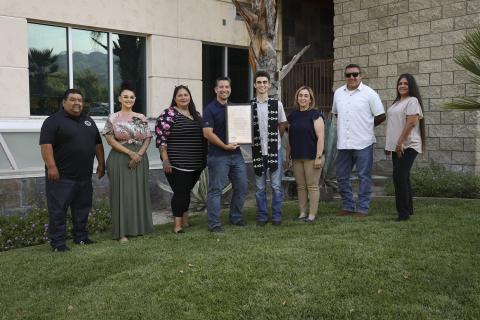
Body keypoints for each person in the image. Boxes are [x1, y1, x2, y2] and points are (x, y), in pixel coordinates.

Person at [40, 88, 105, 252]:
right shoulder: (53, 121)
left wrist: (101, 163)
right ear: (64, 102)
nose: (77, 103)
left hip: (84, 176)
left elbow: (98, 144)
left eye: (80, 100)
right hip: (61, 177)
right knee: (58, 211)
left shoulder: (88, 120)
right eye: (73, 99)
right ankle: (58, 243)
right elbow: (46, 145)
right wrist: (51, 167)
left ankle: (81, 237)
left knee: (82, 209)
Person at [332, 64, 386, 218]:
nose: (352, 78)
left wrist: (367, 126)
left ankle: (363, 208)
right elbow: (336, 113)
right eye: (348, 75)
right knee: (342, 176)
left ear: (361, 76)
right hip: (344, 143)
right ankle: (348, 206)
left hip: (364, 142)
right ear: (345, 76)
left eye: (355, 74)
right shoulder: (338, 94)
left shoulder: (370, 94)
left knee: (364, 176)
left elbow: (381, 115)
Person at [102, 81, 153, 242]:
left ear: (135, 99)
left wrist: (138, 155)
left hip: (140, 158)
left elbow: (147, 139)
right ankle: (122, 232)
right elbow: (110, 140)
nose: (128, 99)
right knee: (121, 195)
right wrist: (131, 153)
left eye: (131, 97)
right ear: (119, 99)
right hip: (119, 158)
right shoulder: (113, 118)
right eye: (125, 97)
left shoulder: (141, 118)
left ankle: (139, 228)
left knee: (139, 192)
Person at [155, 85, 207, 233]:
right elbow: (161, 139)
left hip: (196, 163)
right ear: (175, 98)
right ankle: (177, 226)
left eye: (186, 95)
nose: (183, 97)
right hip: (176, 163)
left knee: (186, 191)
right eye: (180, 95)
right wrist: (165, 160)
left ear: (190, 96)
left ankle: (185, 221)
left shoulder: (196, 114)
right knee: (180, 192)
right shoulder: (169, 114)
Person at [203, 76, 248, 232]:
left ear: (230, 89)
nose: (224, 90)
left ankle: (235, 217)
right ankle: (214, 224)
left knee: (242, 187)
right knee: (216, 190)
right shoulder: (210, 109)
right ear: (216, 89)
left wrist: (243, 137)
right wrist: (224, 146)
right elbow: (207, 133)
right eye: (221, 87)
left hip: (236, 155)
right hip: (218, 156)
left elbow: (242, 129)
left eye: (227, 87)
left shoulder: (235, 109)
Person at [385, 74, 425, 221]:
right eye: (400, 83)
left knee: (399, 177)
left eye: (406, 84)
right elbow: (393, 125)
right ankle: (408, 209)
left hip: (408, 145)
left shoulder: (412, 101)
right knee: (403, 177)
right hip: (397, 147)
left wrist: (400, 142)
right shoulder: (396, 103)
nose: (402, 86)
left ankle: (403, 213)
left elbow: (411, 123)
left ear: (411, 86)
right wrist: (389, 145)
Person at [251, 71, 288, 226]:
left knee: (276, 186)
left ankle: (277, 216)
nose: (262, 85)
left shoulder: (277, 104)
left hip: (275, 150)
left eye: (265, 82)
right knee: (259, 188)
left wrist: (275, 142)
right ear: (255, 85)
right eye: (259, 82)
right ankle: (262, 216)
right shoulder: (249, 105)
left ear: (269, 85)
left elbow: (282, 125)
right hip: (258, 151)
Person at [286, 86, 325, 222]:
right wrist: (288, 157)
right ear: (297, 98)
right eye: (300, 95)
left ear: (310, 99)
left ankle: (312, 215)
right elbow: (290, 138)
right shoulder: (293, 116)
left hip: (312, 156)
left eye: (306, 96)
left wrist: (319, 156)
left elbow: (321, 137)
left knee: (312, 186)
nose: (303, 98)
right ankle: (302, 213)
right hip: (297, 157)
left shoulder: (315, 115)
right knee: (301, 186)